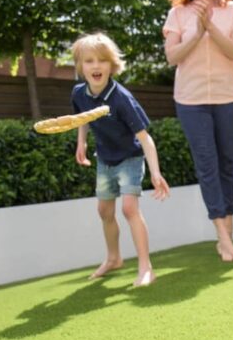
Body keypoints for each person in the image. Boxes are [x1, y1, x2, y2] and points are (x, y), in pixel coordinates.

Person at [163, 0, 233, 262]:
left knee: (228, 163)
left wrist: (210, 26)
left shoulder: (232, 10)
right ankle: (222, 235)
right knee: (207, 165)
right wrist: (196, 33)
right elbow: (173, 58)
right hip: (191, 100)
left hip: (228, 97)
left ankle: (229, 226)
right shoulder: (177, 14)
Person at [71, 32, 170, 286]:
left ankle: (146, 267)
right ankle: (114, 258)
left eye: (102, 61)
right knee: (104, 210)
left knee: (128, 209)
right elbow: (82, 119)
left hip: (130, 158)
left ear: (111, 65)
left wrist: (156, 173)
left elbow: (146, 139)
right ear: (81, 66)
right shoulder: (79, 94)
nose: (96, 66)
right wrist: (81, 142)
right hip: (104, 159)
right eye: (89, 61)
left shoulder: (122, 99)